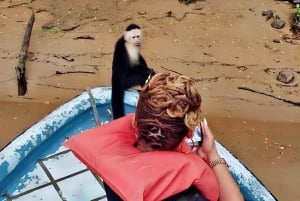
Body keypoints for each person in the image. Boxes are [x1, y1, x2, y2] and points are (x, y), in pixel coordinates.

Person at [65, 72, 244, 201]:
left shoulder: (112, 158)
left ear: (135, 122)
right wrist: (212, 154)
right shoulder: (187, 194)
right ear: (188, 133)